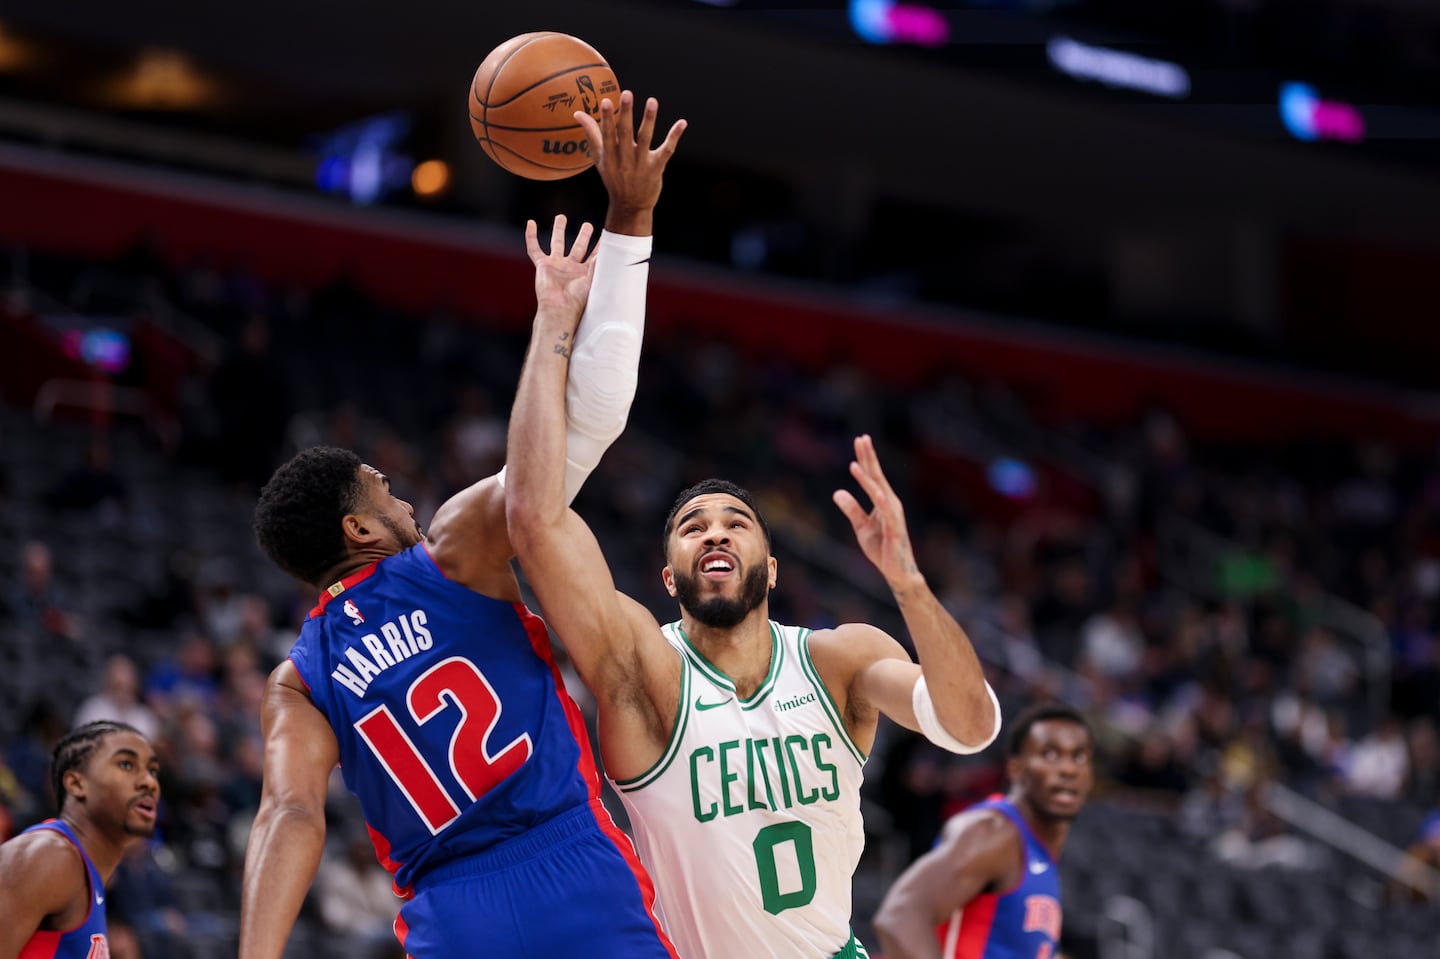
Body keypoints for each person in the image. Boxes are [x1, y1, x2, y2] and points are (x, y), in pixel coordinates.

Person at [239, 91, 687, 959]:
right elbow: (582, 426)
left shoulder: (297, 681)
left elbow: (289, 812)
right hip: (568, 858)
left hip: (452, 915)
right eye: (381, 487)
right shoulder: (452, 551)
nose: (400, 494)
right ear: (359, 528)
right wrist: (600, 259)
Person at [504, 257, 1001, 956]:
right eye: (691, 525)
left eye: (736, 522)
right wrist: (554, 325)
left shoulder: (839, 659)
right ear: (669, 579)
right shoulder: (645, 671)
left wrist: (910, 583)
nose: (713, 530)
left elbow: (969, 726)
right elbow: (532, 520)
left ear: (771, 569)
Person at [871, 703, 1093, 959]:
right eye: (1050, 754)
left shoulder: (1040, 856)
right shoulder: (992, 831)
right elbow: (901, 917)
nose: (1068, 769)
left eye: (1079, 756)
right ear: (1016, 769)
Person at [0, 720, 162, 959]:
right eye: (126, 764)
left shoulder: (86, 875)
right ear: (77, 784)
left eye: (152, 771)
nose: (149, 782)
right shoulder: (49, 855)